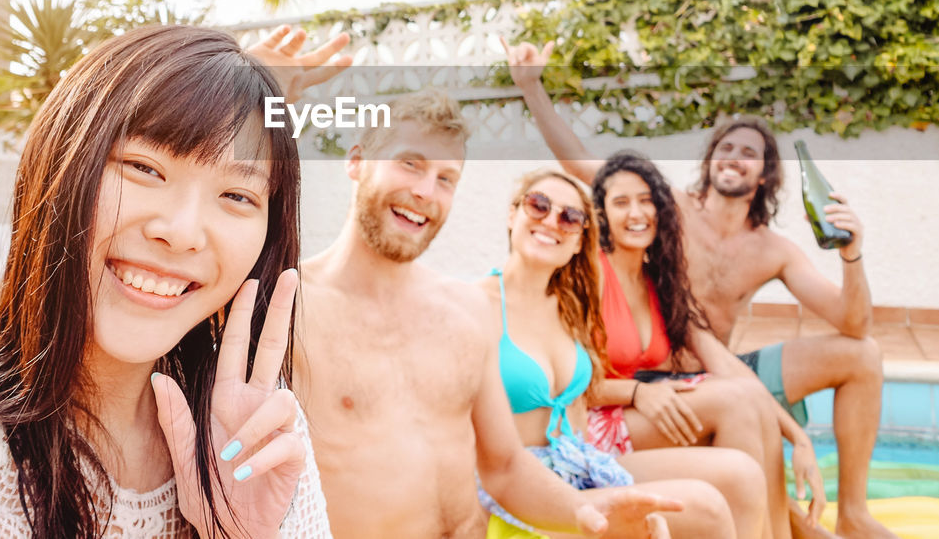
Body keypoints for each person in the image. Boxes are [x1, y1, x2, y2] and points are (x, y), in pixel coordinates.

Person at [0, 25, 343, 539]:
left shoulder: (256, 440)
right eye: (144, 168)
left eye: (237, 196)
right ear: (60, 163)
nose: (182, 232)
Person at [295, 90, 734, 539]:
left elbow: (505, 467)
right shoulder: (291, 306)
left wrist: (589, 516)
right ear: (356, 162)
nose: (426, 191)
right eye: (410, 163)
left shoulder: (462, 313)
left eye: (447, 178)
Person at [505, 38, 896, 539]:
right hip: (646, 385)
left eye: (749, 153)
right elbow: (580, 163)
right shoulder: (660, 210)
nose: (734, 158)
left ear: (765, 175)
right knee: (734, 398)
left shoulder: (770, 249)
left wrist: (851, 254)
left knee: (860, 354)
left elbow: (853, 323)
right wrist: (532, 88)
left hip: (708, 371)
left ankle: (850, 514)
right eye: (726, 148)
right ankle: (787, 526)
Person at [479, 168, 770, 539]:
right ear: (512, 214)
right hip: (523, 484)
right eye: (538, 206)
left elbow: (583, 401)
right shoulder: (476, 304)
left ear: (578, 239)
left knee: (742, 476)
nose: (552, 221)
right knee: (707, 507)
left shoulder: (569, 305)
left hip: (580, 464)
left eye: (569, 217)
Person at [578, 152, 814, 539]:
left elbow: (727, 365)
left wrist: (799, 437)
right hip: (588, 429)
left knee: (742, 397)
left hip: (628, 417)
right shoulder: (591, 276)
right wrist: (636, 392)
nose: (636, 213)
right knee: (734, 401)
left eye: (645, 200)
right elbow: (565, 385)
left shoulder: (659, 283)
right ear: (602, 214)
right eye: (621, 202)